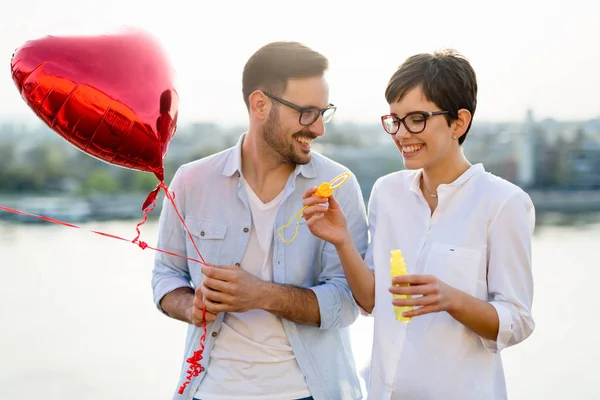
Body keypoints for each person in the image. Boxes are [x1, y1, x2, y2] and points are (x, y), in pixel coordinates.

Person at [302, 49, 535, 400]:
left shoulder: (503, 203)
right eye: (394, 120)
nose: (401, 134)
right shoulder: (387, 193)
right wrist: (341, 240)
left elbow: (518, 320)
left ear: (459, 122)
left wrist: (451, 298)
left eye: (416, 119)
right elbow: (370, 300)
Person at [151, 41, 368, 400]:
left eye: (323, 112)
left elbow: (348, 301)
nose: (319, 129)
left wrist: (261, 294)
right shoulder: (191, 181)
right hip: (209, 392)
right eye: (307, 113)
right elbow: (165, 276)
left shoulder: (339, 187)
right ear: (260, 104)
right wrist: (191, 306)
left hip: (313, 393)